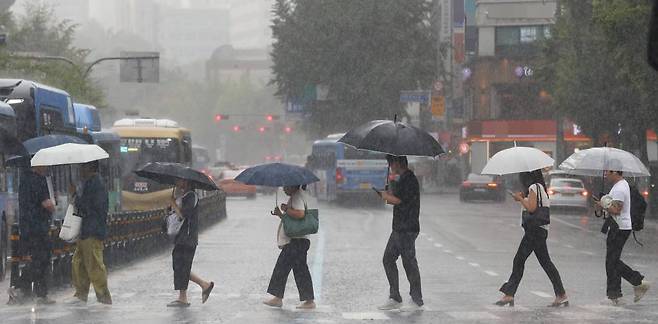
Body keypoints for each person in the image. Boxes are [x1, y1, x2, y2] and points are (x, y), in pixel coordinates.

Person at [496, 170, 568, 307]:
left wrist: (521, 199)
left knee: (519, 260)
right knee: (545, 263)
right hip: (538, 231)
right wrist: (522, 197)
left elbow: (532, 208)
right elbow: (534, 205)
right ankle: (561, 294)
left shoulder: (534, 187)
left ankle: (509, 294)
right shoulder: (539, 188)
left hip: (535, 231)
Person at [596, 166, 650, 305]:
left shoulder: (620, 188)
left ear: (615, 172)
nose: (606, 174)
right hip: (618, 226)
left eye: (608, 172)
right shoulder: (618, 186)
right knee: (612, 261)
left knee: (612, 262)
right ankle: (615, 294)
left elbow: (616, 209)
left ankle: (638, 282)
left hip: (619, 227)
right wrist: (602, 203)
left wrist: (604, 204)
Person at [377, 155, 423, 312]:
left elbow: (399, 201)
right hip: (399, 227)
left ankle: (416, 298)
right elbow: (396, 197)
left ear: (397, 163)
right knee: (389, 259)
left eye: (391, 163)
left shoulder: (409, 179)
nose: (390, 166)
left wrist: (386, 197)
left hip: (407, 227)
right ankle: (396, 296)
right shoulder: (403, 179)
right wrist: (389, 191)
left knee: (408, 261)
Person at [263, 185, 315, 309]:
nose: (284, 189)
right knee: (299, 270)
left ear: (293, 185)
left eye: (286, 186)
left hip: (297, 241)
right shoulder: (297, 196)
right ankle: (308, 300)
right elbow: (292, 221)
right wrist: (280, 214)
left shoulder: (297, 197)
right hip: (299, 240)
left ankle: (278, 298)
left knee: (282, 267)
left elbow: (300, 214)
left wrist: (286, 209)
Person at [69, 161, 113, 305]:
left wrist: (75, 195)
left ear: (89, 167)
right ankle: (81, 294)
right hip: (86, 230)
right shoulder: (90, 183)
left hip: (92, 230)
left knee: (94, 264)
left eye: (82, 166)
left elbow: (89, 206)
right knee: (79, 263)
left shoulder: (96, 184)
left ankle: (103, 295)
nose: (80, 169)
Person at [167, 179, 214, 307]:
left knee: (182, 266)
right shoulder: (184, 196)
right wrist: (172, 205)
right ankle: (204, 285)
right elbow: (175, 215)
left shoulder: (192, 196)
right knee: (180, 266)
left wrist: (174, 204)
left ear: (186, 182)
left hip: (187, 238)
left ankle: (184, 297)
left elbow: (183, 215)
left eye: (180, 180)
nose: (177, 182)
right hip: (181, 237)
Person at [13, 165, 56, 305]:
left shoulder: (24, 180)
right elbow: (46, 204)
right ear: (38, 164)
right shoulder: (38, 180)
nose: (47, 167)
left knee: (39, 259)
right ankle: (19, 287)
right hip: (39, 227)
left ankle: (40, 293)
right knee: (41, 259)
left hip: (28, 227)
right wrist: (52, 206)